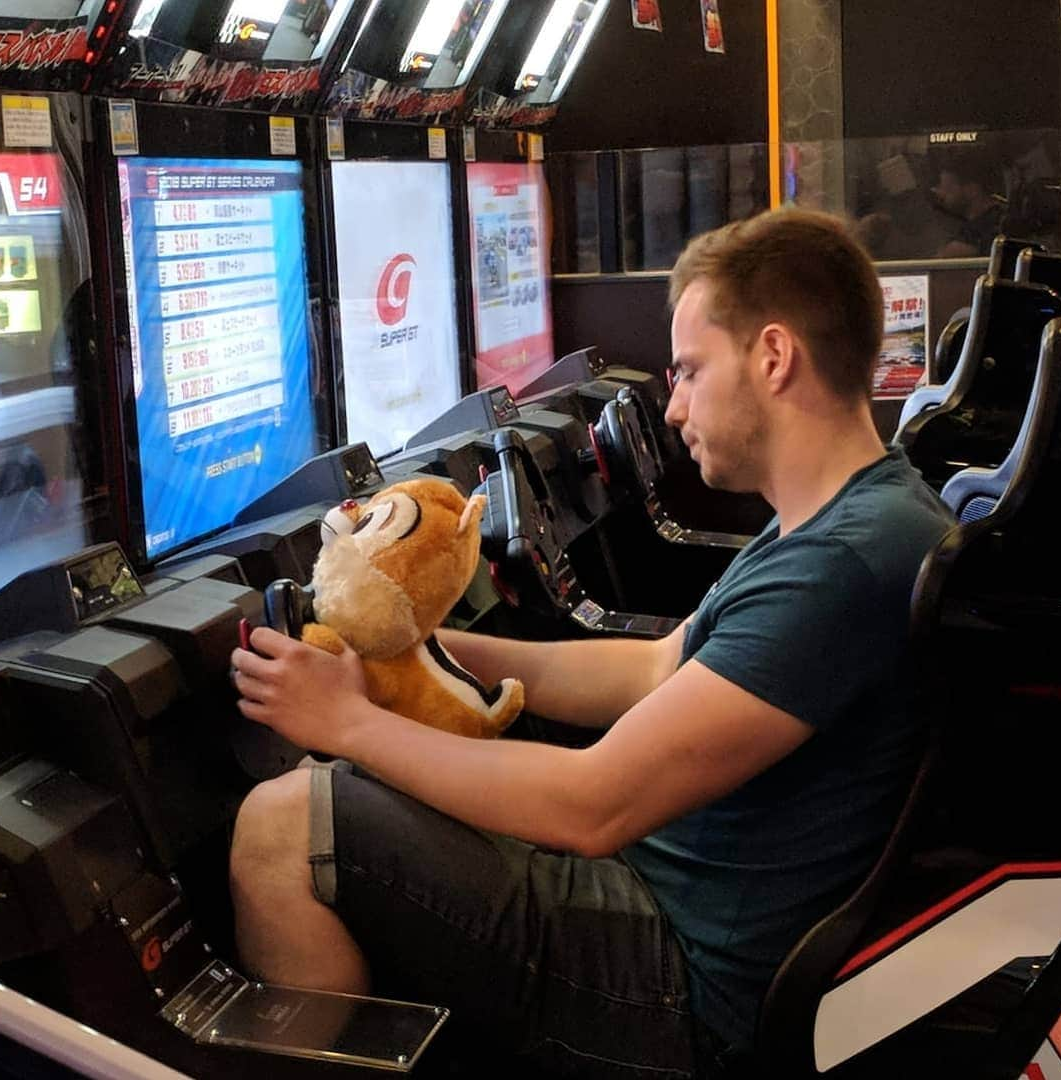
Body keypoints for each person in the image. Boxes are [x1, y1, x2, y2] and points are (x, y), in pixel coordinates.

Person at [228, 208, 955, 1078]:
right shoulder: (848, 517)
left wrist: (346, 723)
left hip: (685, 988)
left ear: (772, 356)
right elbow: (652, 668)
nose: (675, 404)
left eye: (689, 371)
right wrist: (427, 648)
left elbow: (591, 806)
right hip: (677, 910)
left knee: (282, 826)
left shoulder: (843, 565)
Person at [931, 149, 1007, 258]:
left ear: (972, 190)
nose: (941, 194)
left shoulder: (998, 225)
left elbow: (944, 259)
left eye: (947, 188)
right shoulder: (965, 226)